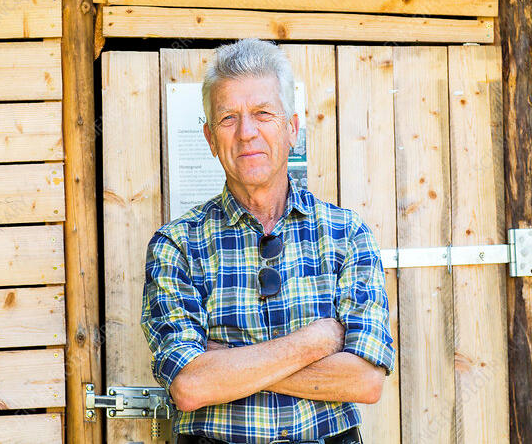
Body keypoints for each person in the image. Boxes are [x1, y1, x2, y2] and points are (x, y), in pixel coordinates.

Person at [141, 38, 395, 444]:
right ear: (209, 138)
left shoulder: (346, 234)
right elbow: (190, 387)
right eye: (228, 118)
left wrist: (226, 365)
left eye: (262, 113)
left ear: (291, 128)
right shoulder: (176, 246)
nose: (246, 133)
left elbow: (365, 381)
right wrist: (317, 341)